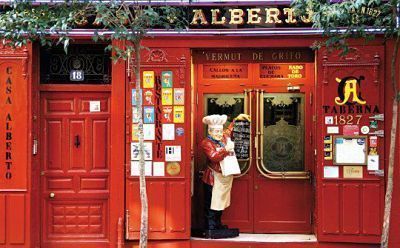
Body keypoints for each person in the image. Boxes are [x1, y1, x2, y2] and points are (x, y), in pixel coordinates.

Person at [201, 113, 250, 232]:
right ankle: (210, 226)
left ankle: (217, 224)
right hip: (213, 177)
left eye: (220, 131)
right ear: (210, 132)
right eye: (215, 131)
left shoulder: (223, 137)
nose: (219, 134)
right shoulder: (206, 143)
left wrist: (237, 119)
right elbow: (214, 157)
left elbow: (229, 130)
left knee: (221, 202)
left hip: (224, 176)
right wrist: (226, 150)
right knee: (212, 203)